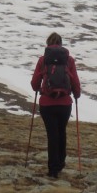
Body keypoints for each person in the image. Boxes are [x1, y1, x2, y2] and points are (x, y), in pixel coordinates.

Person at [31, 32, 81, 178]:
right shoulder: (69, 60)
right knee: (61, 132)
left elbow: (35, 83)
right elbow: (75, 82)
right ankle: (60, 163)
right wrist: (76, 94)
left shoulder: (43, 60)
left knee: (52, 135)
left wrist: (38, 89)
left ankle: (53, 170)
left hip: (47, 104)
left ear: (48, 44)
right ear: (61, 44)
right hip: (65, 104)